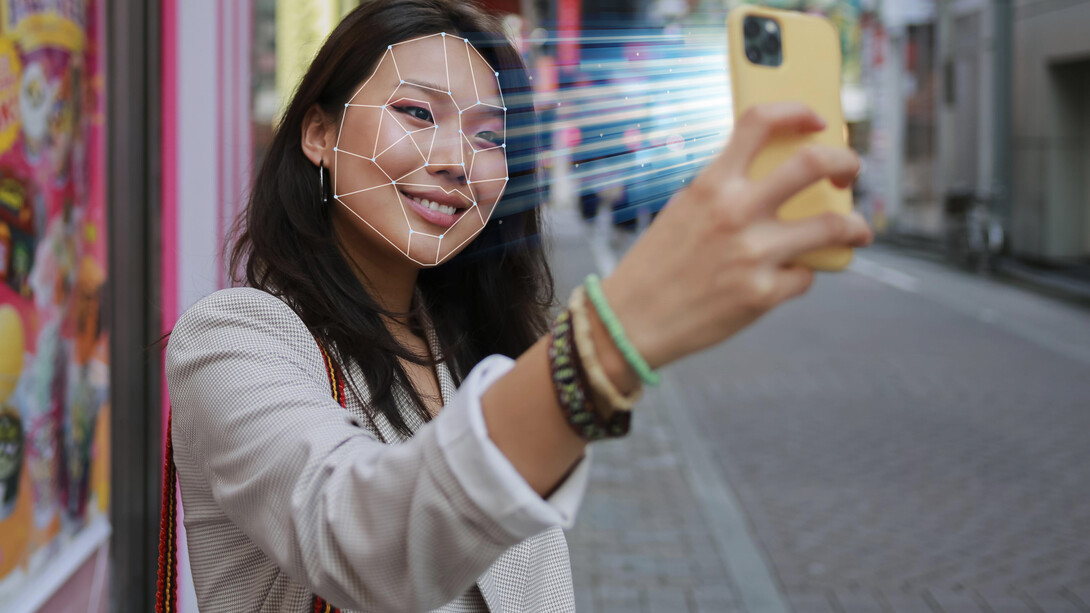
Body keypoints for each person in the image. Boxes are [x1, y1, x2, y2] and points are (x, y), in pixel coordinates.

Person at [163, 1, 873, 612]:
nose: (457, 160)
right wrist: (611, 337)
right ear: (319, 132)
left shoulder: (478, 349)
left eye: (489, 136)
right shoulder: (234, 339)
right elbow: (358, 536)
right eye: (416, 112)